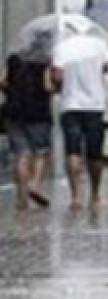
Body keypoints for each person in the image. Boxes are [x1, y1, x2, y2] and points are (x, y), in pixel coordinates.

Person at [47, 36, 108, 209]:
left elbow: (57, 76)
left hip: (70, 104)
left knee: (72, 150)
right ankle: (95, 194)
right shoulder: (99, 44)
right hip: (94, 105)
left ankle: (75, 196)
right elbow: (107, 67)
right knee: (95, 152)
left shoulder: (62, 46)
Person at [1, 52, 52, 210]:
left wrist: (12, 91)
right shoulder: (45, 62)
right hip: (38, 113)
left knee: (21, 154)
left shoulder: (14, 59)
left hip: (14, 113)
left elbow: (2, 81)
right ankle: (34, 185)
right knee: (41, 152)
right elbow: (48, 86)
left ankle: (21, 198)